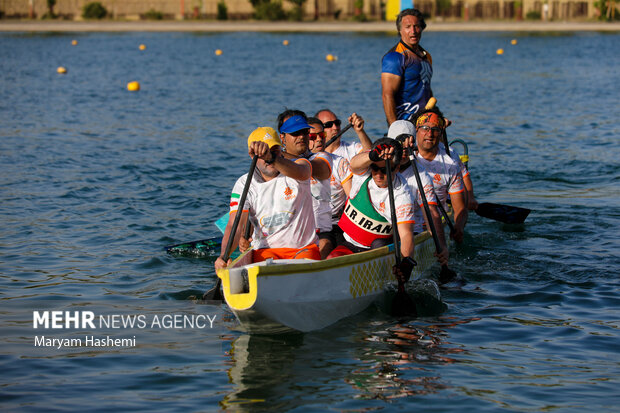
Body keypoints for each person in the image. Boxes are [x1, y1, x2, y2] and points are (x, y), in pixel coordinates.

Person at [214, 127, 320, 270]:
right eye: (262, 155)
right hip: (265, 252)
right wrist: (222, 256)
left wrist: (270, 157)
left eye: (274, 151)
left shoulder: (300, 165)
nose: (267, 158)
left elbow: (302, 173)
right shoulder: (244, 184)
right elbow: (236, 224)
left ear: (280, 151)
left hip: (303, 250)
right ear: (252, 156)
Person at [333, 138, 417, 284]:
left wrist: (406, 261)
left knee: (378, 243)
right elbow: (354, 163)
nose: (378, 174)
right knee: (330, 258)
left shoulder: (401, 195)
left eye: (385, 170)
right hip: (350, 243)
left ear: (397, 169)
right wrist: (372, 155)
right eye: (375, 168)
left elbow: (405, 234)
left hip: (377, 249)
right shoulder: (364, 173)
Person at [388, 120, 449, 266]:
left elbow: (432, 213)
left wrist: (442, 246)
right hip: (384, 229)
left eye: (407, 148)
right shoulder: (378, 166)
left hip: (411, 230)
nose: (403, 153)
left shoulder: (421, 175)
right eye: (399, 146)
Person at [412, 108, 468, 243]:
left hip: (433, 225)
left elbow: (460, 208)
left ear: (441, 133)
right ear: (416, 131)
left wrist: (459, 227)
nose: (429, 134)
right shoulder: (404, 156)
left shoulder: (450, 165)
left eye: (435, 129)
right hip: (405, 223)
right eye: (425, 128)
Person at [307, 117, 353, 259]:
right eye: (313, 137)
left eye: (322, 135)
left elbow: (352, 197)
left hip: (335, 224)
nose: (319, 140)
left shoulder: (339, 162)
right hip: (306, 225)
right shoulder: (293, 164)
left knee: (325, 246)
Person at [381, 8, 433, 126]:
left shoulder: (426, 56)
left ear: (422, 28)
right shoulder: (395, 57)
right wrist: (395, 128)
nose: (413, 31)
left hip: (424, 123)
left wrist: (436, 116)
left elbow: (426, 89)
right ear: (400, 30)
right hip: (404, 123)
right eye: (408, 27)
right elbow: (387, 95)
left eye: (416, 26)